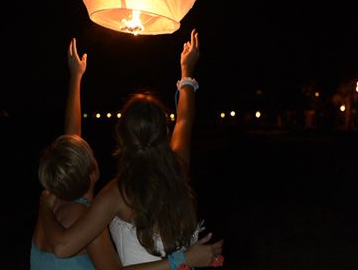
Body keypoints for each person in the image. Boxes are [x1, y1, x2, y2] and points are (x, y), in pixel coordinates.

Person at [31, 37, 222, 270]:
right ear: (163, 132)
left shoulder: (116, 193)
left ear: (121, 138)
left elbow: (64, 247)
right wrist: (187, 71)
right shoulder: (178, 167)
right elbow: (184, 120)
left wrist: (76, 77)